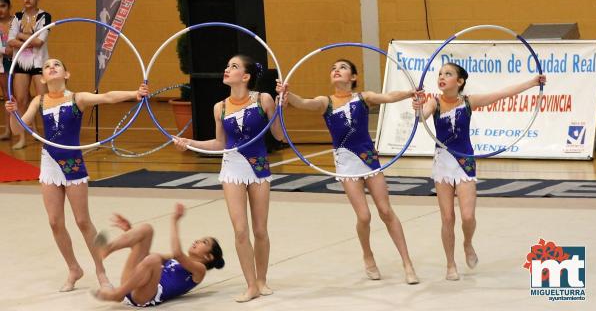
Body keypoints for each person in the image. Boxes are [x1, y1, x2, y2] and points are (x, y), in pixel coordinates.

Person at [5, 58, 148, 291]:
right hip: (49, 162)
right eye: (47, 67)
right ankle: (74, 268)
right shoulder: (38, 101)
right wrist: (13, 113)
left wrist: (135, 93)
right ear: (42, 78)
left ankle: (101, 272)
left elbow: (108, 97)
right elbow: (18, 129)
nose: (51, 67)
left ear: (66, 74)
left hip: (73, 162)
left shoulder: (77, 98)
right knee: (54, 222)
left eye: (57, 65)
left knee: (83, 221)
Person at [276, 59, 419, 284]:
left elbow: (389, 97)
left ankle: (407, 262)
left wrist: (411, 92)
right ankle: (368, 255)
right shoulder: (326, 102)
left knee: (385, 210)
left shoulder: (364, 97)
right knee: (364, 215)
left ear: (353, 77)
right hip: (346, 162)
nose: (336, 70)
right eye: (333, 68)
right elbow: (303, 103)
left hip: (369, 159)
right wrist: (287, 94)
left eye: (342, 67)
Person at [412, 62, 546, 280]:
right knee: (447, 218)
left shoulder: (468, 102)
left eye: (448, 74)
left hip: (465, 162)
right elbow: (421, 118)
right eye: (440, 74)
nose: (442, 77)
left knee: (467, 216)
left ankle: (467, 243)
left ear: (460, 81)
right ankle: (450, 264)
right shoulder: (433, 102)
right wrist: (418, 108)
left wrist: (532, 82)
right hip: (443, 163)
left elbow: (501, 94)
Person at [173, 54, 284, 302]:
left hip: (258, 167)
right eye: (227, 65)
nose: (226, 69)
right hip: (233, 168)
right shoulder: (220, 107)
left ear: (245, 76)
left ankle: (262, 279)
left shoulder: (263, 99)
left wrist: (279, 109)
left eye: (233, 66)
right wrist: (189, 142)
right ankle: (251, 284)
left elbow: (278, 136)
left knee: (260, 230)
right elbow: (220, 143)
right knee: (241, 230)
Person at [92, 203, 225, 306]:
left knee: (154, 259)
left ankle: (118, 294)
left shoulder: (199, 270)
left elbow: (177, 254)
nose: (197, 240)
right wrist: (131, 233)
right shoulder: (175, 258)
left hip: (145, 296)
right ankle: (108, 248)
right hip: (133, 284)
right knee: (146, 229)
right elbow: (146, 259)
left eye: (204, 242)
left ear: (208, 257)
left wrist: (174, 221)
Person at [7, 0, 51, 149]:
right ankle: (23, 137)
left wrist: (19, 35)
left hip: (39, 63)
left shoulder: (44, 17)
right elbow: (11, 42)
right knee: (20, 100)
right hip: (20, 64)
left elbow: (39, 42)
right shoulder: (17, 17)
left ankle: (48, 137)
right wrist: (26, 39)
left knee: (43, 101)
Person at [0, 0, 13, 139]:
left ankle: (33, 128)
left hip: (18, 61)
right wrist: (5, 50)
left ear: (9, 6)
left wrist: (12, 49)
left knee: (23, 96)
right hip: (2, 63)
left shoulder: (16, 21)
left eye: (3, 6)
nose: (0, 10)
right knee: (7, 95)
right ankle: (7, 130)